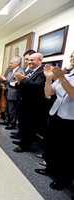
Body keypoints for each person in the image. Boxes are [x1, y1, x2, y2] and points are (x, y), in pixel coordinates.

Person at [34, 52, 74, 190]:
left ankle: (63, 180)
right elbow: (48, 93)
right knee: (51, 144)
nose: (72, 57)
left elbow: (73, 94)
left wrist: (61, 77)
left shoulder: (64, 76)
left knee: (65, 151)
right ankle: (50, 168)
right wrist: (49, 79)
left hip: (70, 119)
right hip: (55, 113)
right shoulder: (67, 74)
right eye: (72, 55)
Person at [12, 53, 48, 153]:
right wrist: (18, 82)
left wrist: (23, 79)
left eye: (32, 60)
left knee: (29, 126)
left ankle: (25, 146)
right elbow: (25, 84)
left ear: (40, 60)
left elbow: (38, 87)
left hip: (33, 105)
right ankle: (22, 141)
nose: (29, 62)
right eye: (29, 60)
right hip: (23, 102)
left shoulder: (42, 72)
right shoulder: (30, 71)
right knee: (23, 124)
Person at [0, 56, 24, 130]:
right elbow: (9, 81)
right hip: (8, 92)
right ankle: (7, 121)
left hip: (13, 93)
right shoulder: (11, 71)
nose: (9, 64)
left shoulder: (20, 71)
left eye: (11, 63)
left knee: (12, 110)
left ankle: (12, 124)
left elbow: (15, 83)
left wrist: (5, 79)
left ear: (17, 63)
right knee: (6, 108)